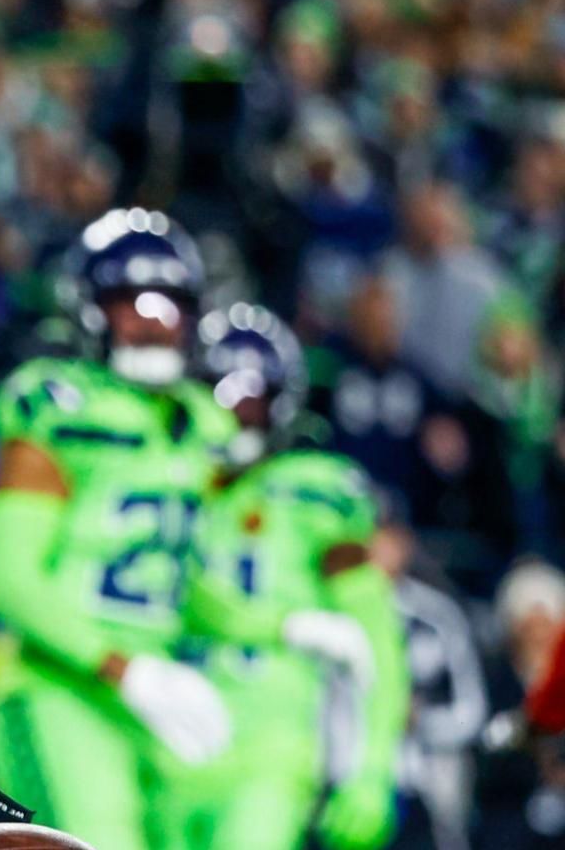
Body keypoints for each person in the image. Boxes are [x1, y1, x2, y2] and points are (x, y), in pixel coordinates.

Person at [0, 208, 237, 848]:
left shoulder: (208, 425)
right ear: (88, 308)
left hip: (168, 689)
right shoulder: (58, 403)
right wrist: (124, 667)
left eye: (169, 303)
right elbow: (5, 577)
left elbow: (219, 572)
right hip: (62, 687)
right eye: (131, 301)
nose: (152, 320)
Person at [168, 304, 409, 850]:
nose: (238, 414)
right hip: (154, 740)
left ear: (284, 400)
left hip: (269, 744)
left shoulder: (314, 490)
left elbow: (376, 634)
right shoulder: (161, 475)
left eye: (254, 398)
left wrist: (371, 769)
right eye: (221, 393)